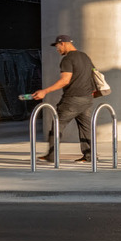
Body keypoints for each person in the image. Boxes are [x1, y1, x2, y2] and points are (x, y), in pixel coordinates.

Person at [31, 35, 97, 163]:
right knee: (86, 128)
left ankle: (51, 155)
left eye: (57, 46)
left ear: (63, 44)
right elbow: (93, 74)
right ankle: (90, 156)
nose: (57, 49)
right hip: (87, 98)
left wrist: (45, 91)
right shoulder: (85, 56)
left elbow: (65, 80)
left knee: (57, 125)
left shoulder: (67, 59)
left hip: (72, 99)